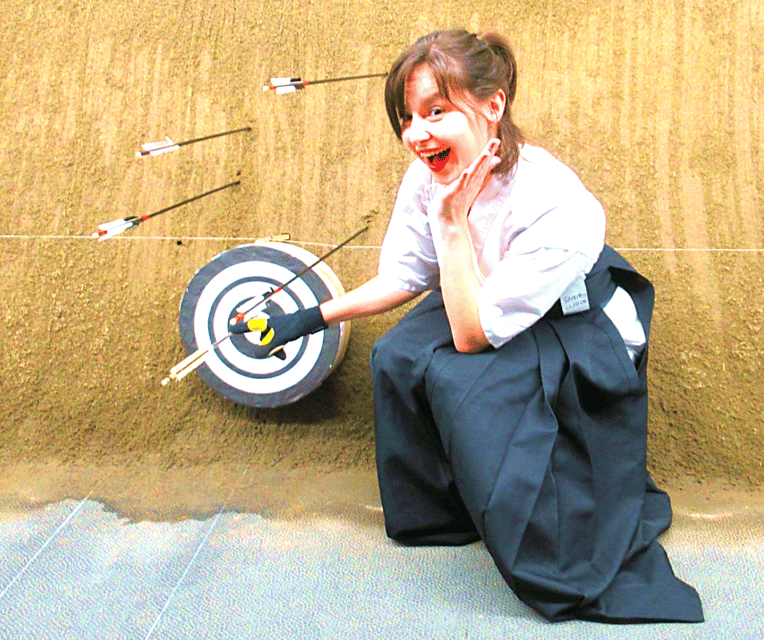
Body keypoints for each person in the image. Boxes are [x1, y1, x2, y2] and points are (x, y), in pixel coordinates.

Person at [231, 29, 704, 623]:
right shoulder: (430, 177)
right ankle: (446, 513)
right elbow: (406, 278)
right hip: (482, 295)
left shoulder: (554, 200)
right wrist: (305, 318)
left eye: (436, 111)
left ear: (493, 106)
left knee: (464, 382)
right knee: (397, 356)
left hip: (574, 325)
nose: (417, 132)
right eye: (407, 117)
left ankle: (533, 524)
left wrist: (451, 224)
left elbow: (470, 338)